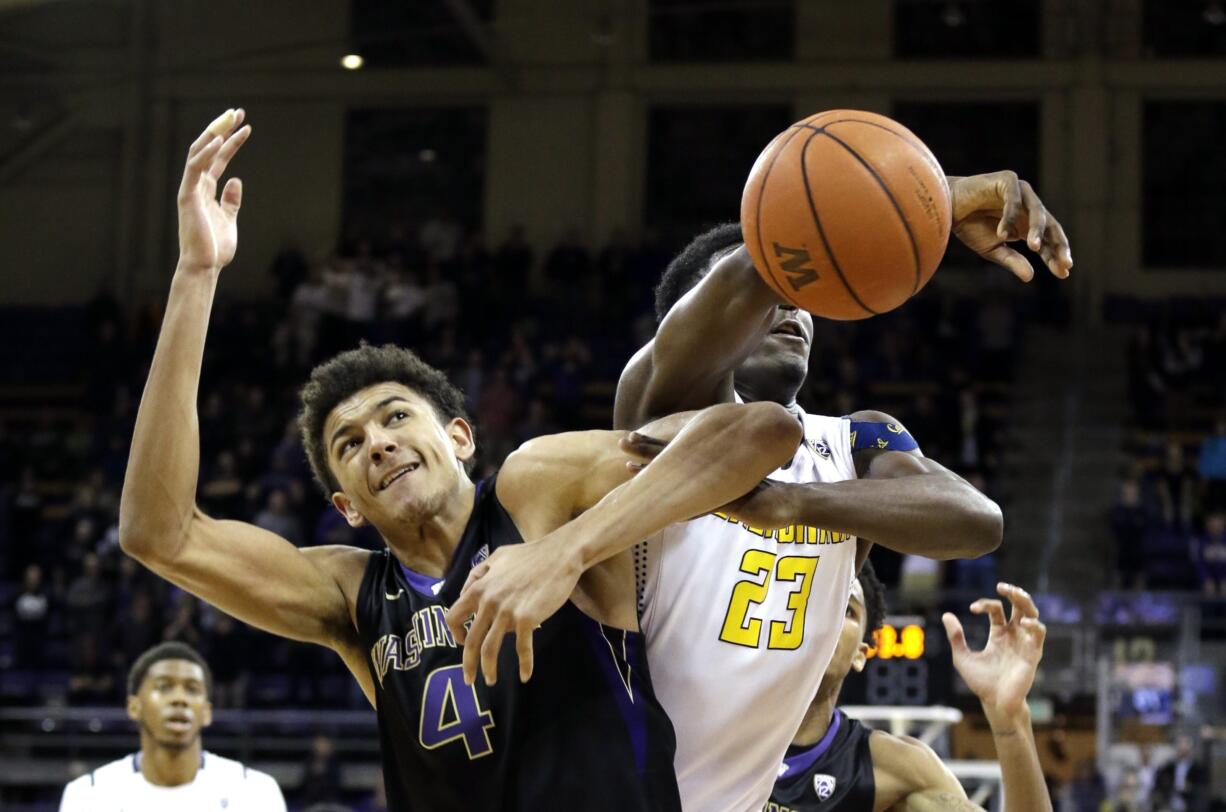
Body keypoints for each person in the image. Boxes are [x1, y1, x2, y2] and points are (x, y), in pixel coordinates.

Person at [119, 108, 804, 811]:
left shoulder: (535, 487)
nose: (378, 442)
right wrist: (196, 275)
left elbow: (762, 435)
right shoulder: (350, 599)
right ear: (347, 506)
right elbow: (159, 534)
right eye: (348, 445)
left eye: (395, 417)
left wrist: (563, 552)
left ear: (460, 437)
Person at [459, 171, 1072, 810]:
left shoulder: (855, 445)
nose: (793, 308)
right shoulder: (657, 406)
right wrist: (924, 200)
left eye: (805, 297)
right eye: (772, 293)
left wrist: (791, 504)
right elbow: (758, 273)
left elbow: (977, 521)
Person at [769, 572, 1051, 811]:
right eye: (814, 597)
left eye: (846, 610)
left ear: (860, 654)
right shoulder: (725, 728)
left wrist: (1009, 719)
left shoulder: (895, 767)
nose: (826, 617)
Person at [58, 642, 285, 811]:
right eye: (164, 687)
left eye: (192, 689)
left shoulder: (254, 792)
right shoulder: (89, 795)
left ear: (206, 712)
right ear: (134, 707)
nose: (180, 699)